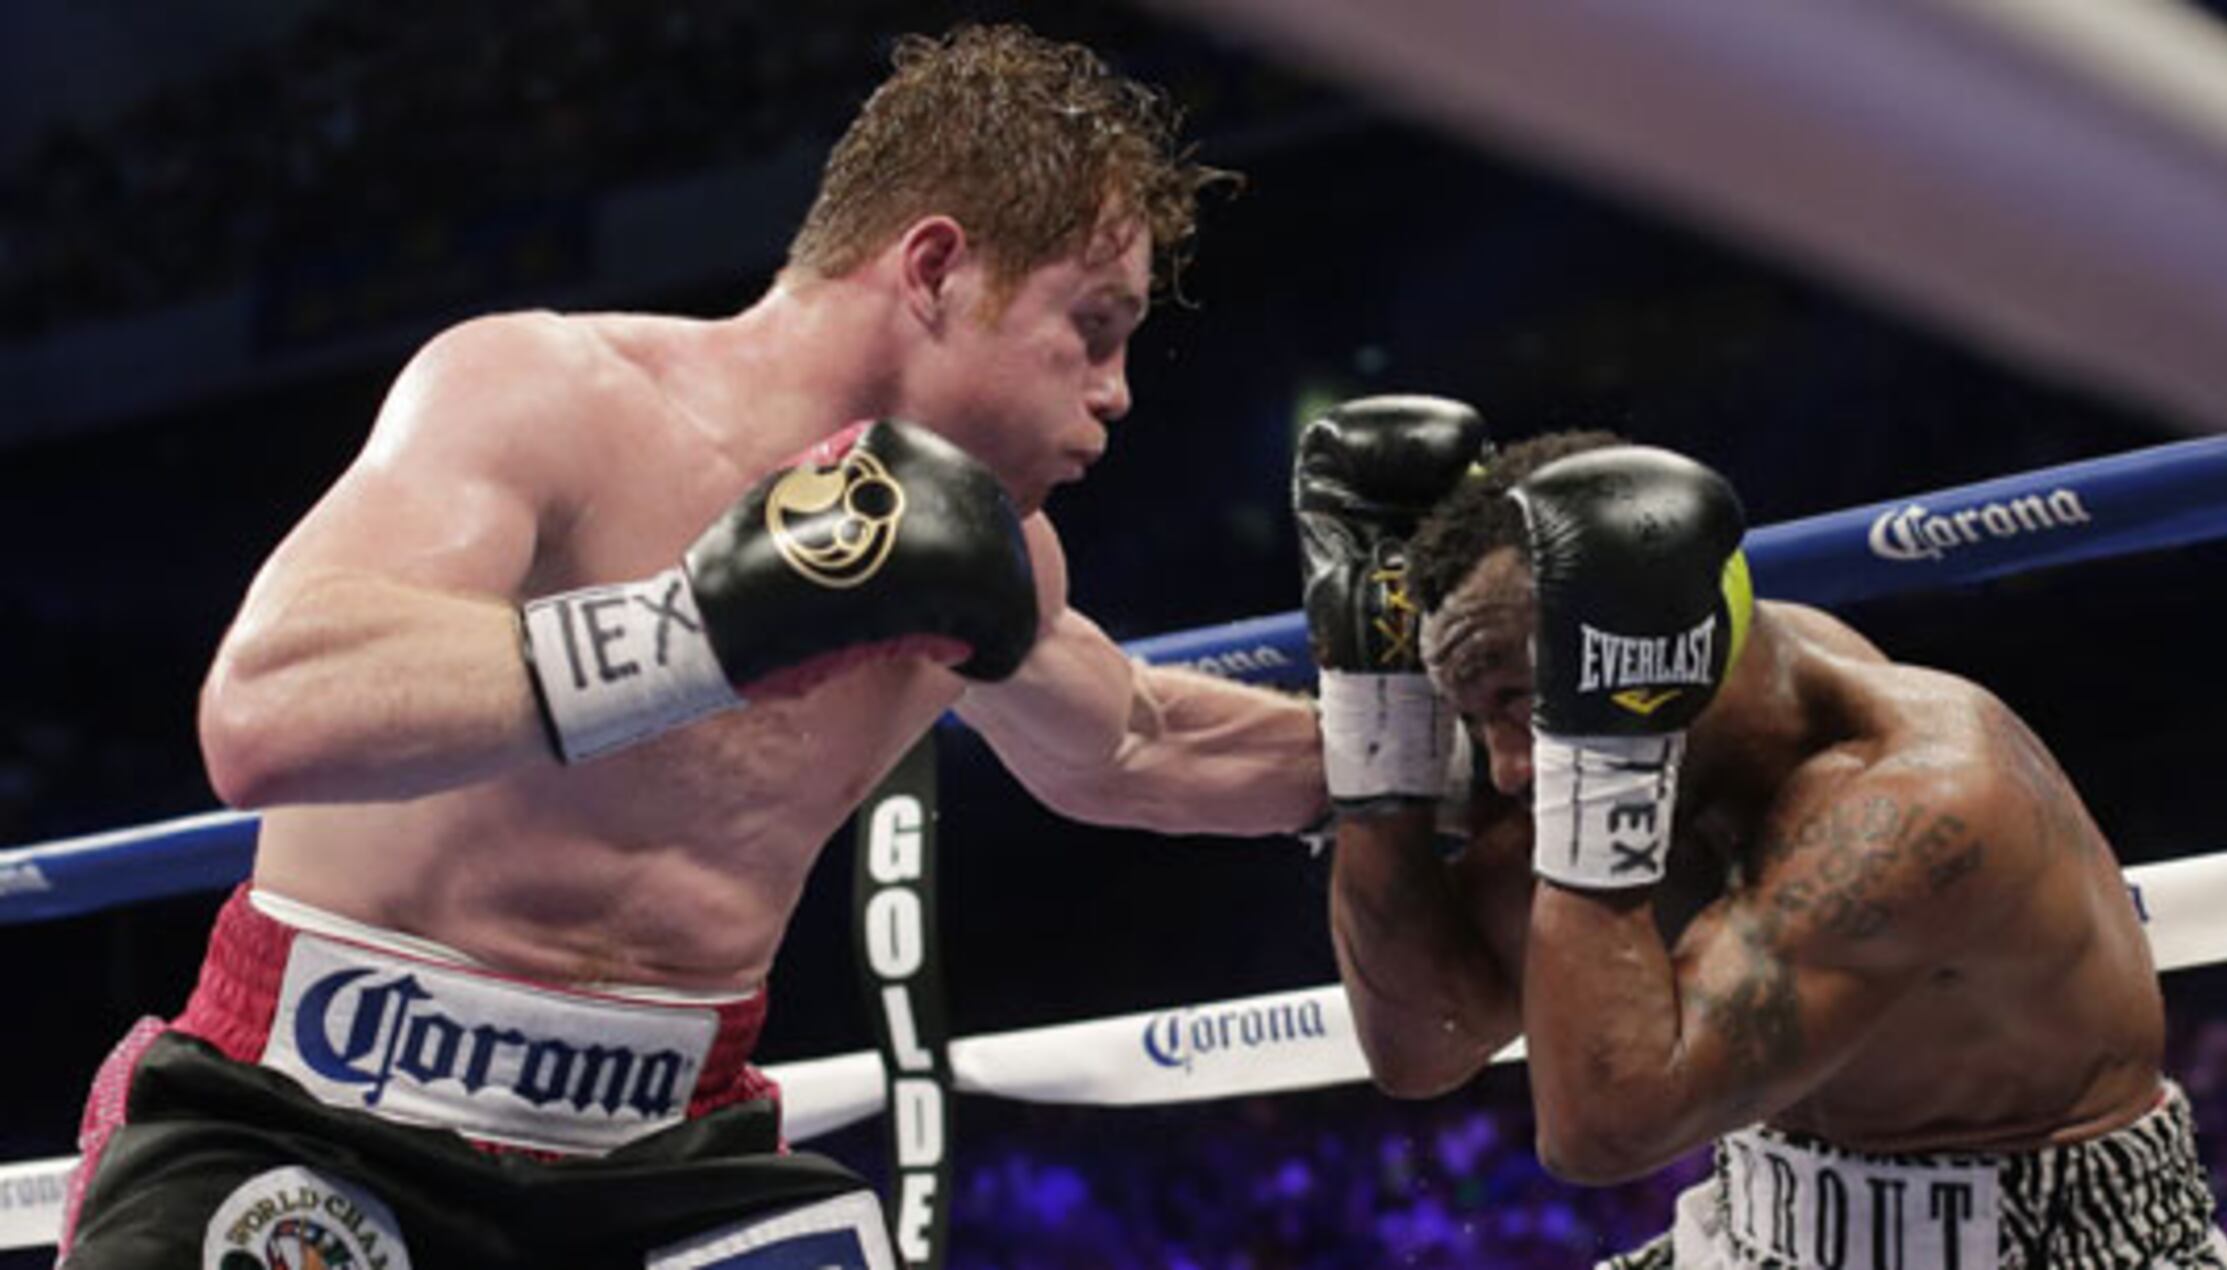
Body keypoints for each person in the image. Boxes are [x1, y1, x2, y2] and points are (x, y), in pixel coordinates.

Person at [59, 25, 1327, 1269]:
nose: (1115, 390)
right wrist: (702, 632)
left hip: (665, 1166)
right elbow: (269, 710)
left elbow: (1135, 741)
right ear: (935, 268)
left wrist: (1439, 743)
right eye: (1092, 326)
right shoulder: (546, 394)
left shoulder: (986, 561)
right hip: (319, 1112)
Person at [1295, 400, 2227, 1268]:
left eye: (1519, 703)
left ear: (1644, 651)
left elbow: (1605, 1132)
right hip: (1760, 1223)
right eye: (1478, 716)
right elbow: (1423, 1044)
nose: (1507, 767)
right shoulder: (1615, 733)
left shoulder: (1918, 797)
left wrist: (1601, 748)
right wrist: (1374, 739)